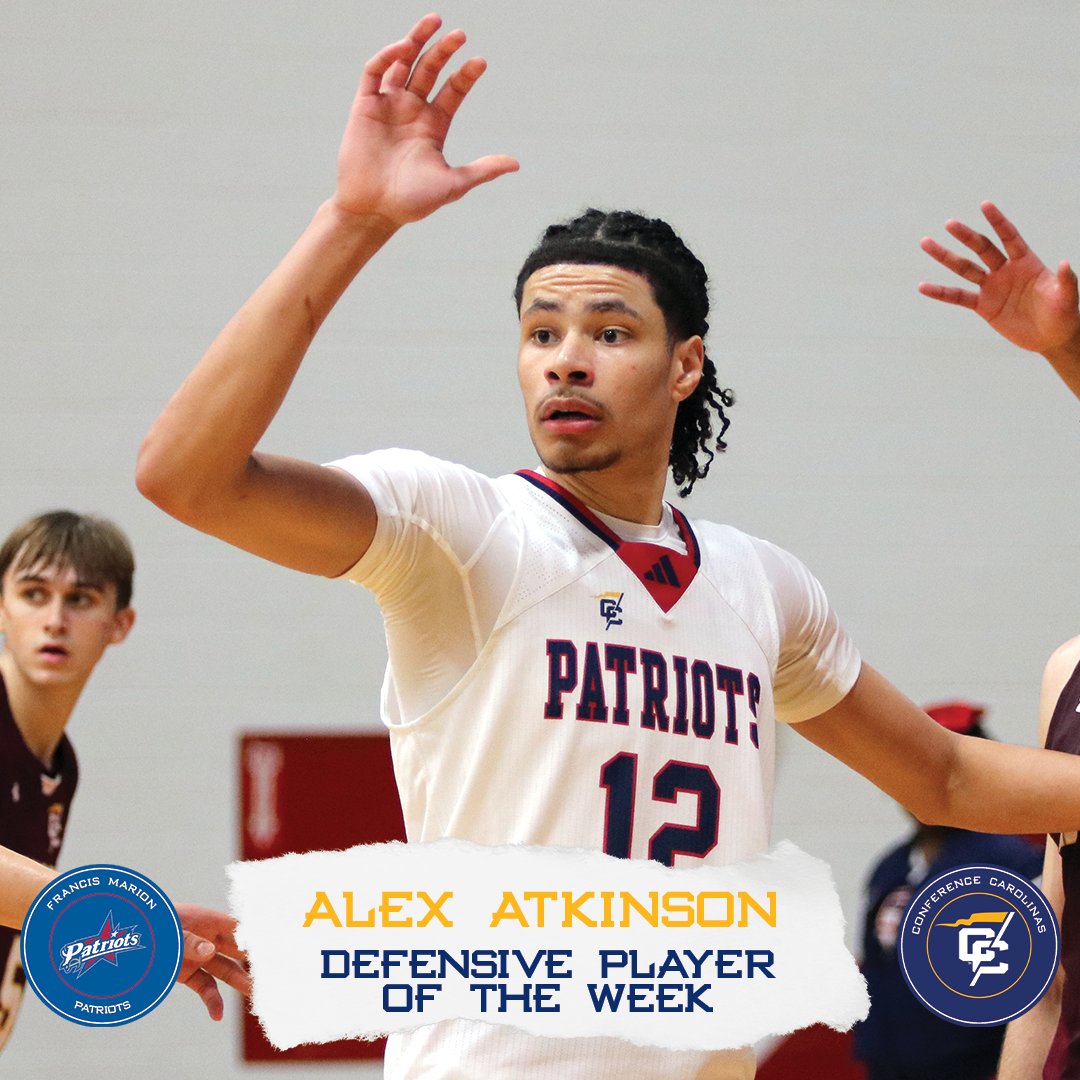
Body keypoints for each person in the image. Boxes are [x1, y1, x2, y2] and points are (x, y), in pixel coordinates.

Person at [135, 14, 1080, 1079]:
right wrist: (353, 220)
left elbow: (944, 776)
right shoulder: (463, 531)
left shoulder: (762, 585)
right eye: (541, 333)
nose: (566, 360)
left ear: (686, 366)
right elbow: (185, 477)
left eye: (610, 332)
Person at [0, 510, 249, 1047]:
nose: (55, 620)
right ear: (1, 606)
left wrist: (138, 936)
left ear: (120, 624)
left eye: (80, 599)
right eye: (33, 594)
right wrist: (127, 913)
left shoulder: (60, 766)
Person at [853, 702, 1044, 1080]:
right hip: (889, 1065)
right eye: (905, 771)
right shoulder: (891, 866)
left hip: (975, 1066)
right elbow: (874, 965)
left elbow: (1036, 992)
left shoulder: (1012, 861)